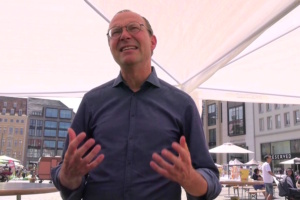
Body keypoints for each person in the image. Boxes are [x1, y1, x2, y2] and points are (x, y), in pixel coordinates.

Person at [51, 9, 222, 200]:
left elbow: (211, 178)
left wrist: (191, 179)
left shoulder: (182, 104)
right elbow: (66, 173)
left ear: (153, 42)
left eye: (134, 28)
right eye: (115, 32)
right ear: (110, 45)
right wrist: (69, 177)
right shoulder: (92, 102)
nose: (124, 35)